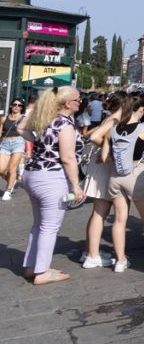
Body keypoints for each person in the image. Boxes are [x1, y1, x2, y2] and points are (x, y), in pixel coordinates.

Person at [88, 93, 144, 272]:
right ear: (140, 110)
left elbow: (104, 157)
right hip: (136, 174)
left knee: (119, 220)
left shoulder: (113, 129)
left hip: (115, 176)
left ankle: (120, 261)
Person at [20, 86, 85, 284]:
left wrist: (35, 137)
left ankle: (32, 267)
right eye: (77, 100)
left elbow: (21, 128)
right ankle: (42, 272)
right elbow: (67, 158)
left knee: (38, 225)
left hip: (33, 174)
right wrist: (76, 186)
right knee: (49, 227)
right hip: (52, 178)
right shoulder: (64, 125)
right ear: (67, 104)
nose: (80, 102)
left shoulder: (45, 118)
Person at [80, 92, 124, 269]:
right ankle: (93, 255)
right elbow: (94, 136)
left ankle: (90, 251)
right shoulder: (115, 119)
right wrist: (113, 151)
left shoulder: (110, 118)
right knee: (100, 212)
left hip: (101, 166)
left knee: (98, 212)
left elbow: (93, 134)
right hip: (104, 167)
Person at [1, 97, 27, 200]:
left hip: (18, 142)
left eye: (19, 105)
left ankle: (8, 191)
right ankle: (13, 180)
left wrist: (29, 150)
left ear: (22, 108)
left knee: (12, 168)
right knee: (1, 169)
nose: (17, 107)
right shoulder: (4, 118)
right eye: (15, 104)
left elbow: (26, 133)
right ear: (11, 106)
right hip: (4, 143)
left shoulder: (23, 119)